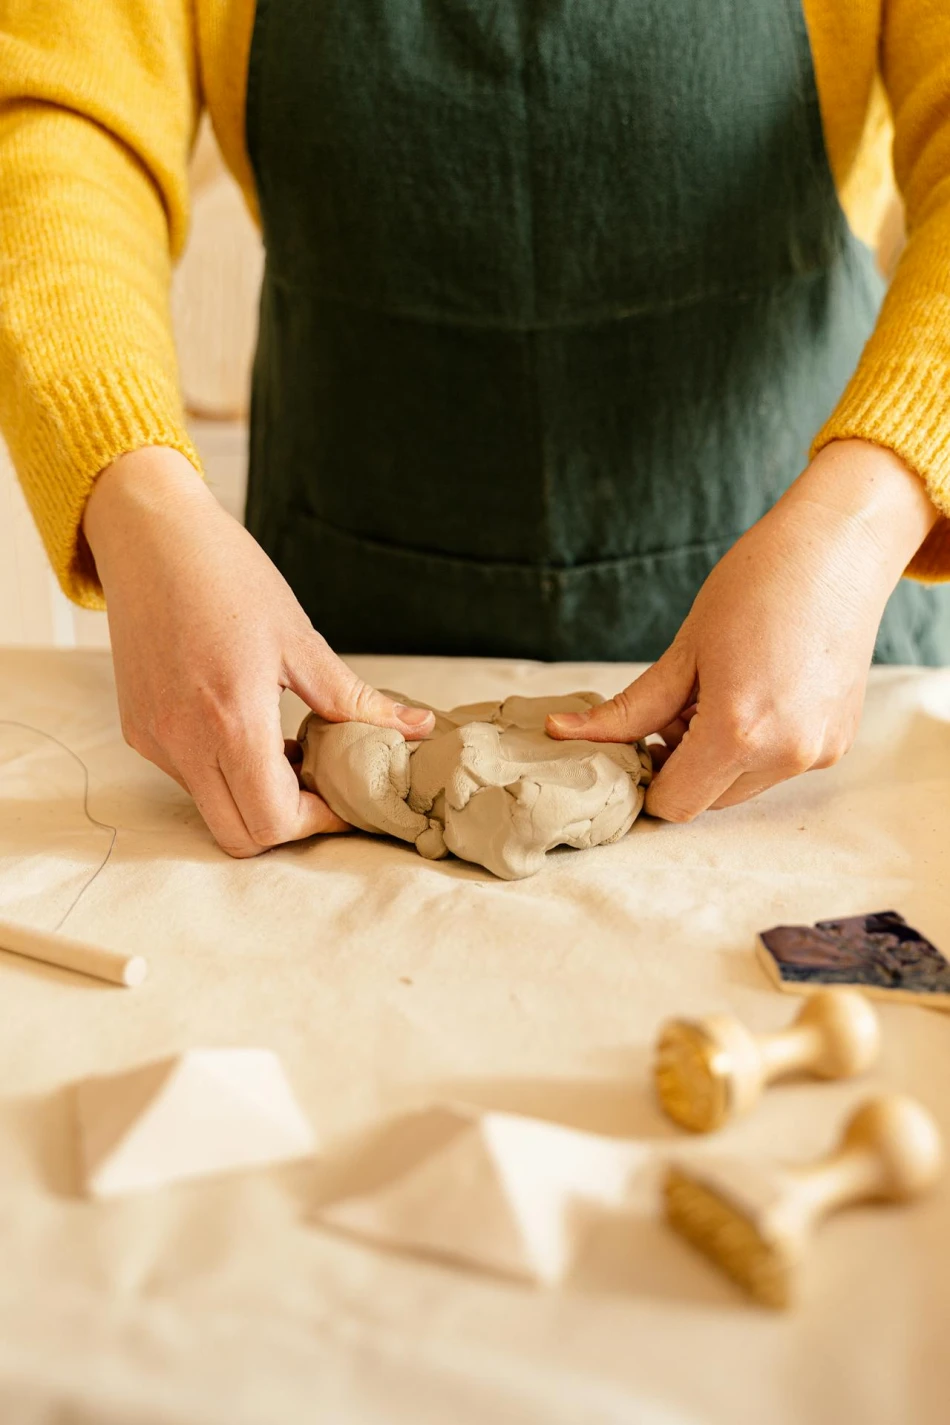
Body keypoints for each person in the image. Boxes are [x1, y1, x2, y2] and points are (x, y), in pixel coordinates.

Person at [2, 1, 949, 859]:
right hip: (322, 632)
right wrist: (135, 499)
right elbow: (55, 123)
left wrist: (862, 520)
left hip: (817, 608)